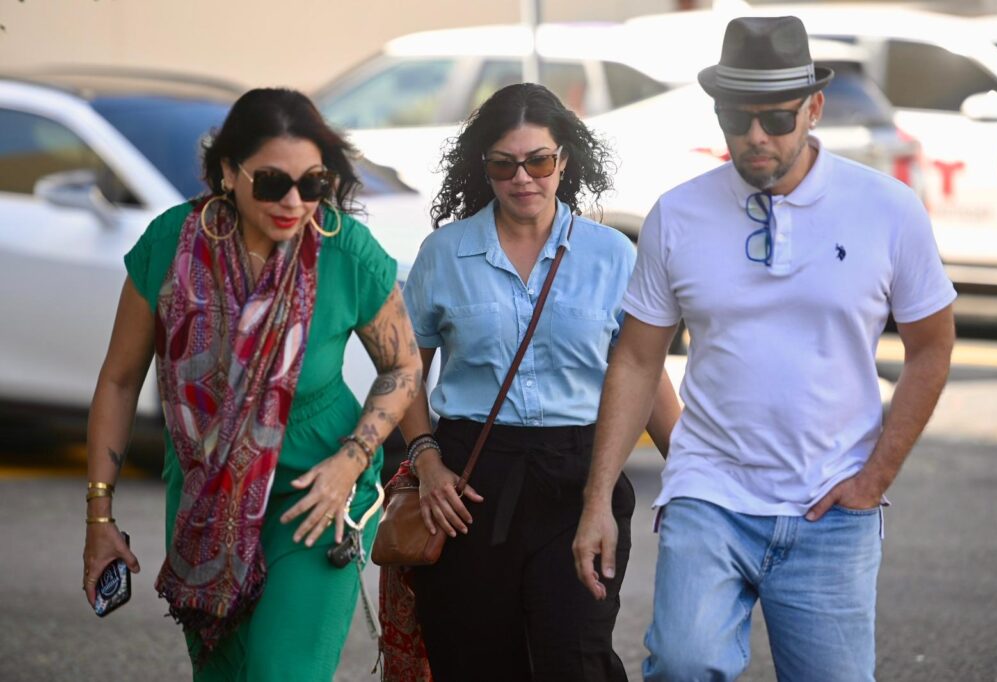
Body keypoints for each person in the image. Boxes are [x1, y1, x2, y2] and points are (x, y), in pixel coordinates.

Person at [573, 16, 957, 682]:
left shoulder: (888, 210)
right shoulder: (678, 214)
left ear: (814, 108)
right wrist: (598, 498)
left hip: (832, 506)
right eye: (737, 117)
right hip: (710, 495)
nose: (755, 135)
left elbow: (932, 346)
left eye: (777, 118)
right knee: (682, 666)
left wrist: (875, 478)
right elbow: (636, 359)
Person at [80, 88, 420, 681]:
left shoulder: (344, 250)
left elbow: (404, 366)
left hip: (318, 493)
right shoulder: (170, 245)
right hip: (205, 495)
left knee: (280, 671)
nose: (294, 202)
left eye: (312, 183)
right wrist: (99, 519)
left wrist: (352, 461)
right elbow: (118, 381)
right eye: (272, 182)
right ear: (228, 172)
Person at [382, 82, 680, 681]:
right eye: (504, 164)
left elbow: (644, 374)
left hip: (581, 476)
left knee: (577, 659)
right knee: (475, 664)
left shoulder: (612, 255)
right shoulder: (444, 253)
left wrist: (695, 480)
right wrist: (426, 459)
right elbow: (405, 369)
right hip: (469, 482)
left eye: (539, 161)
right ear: (484, 167)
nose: (523, 178)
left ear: (564, 160)